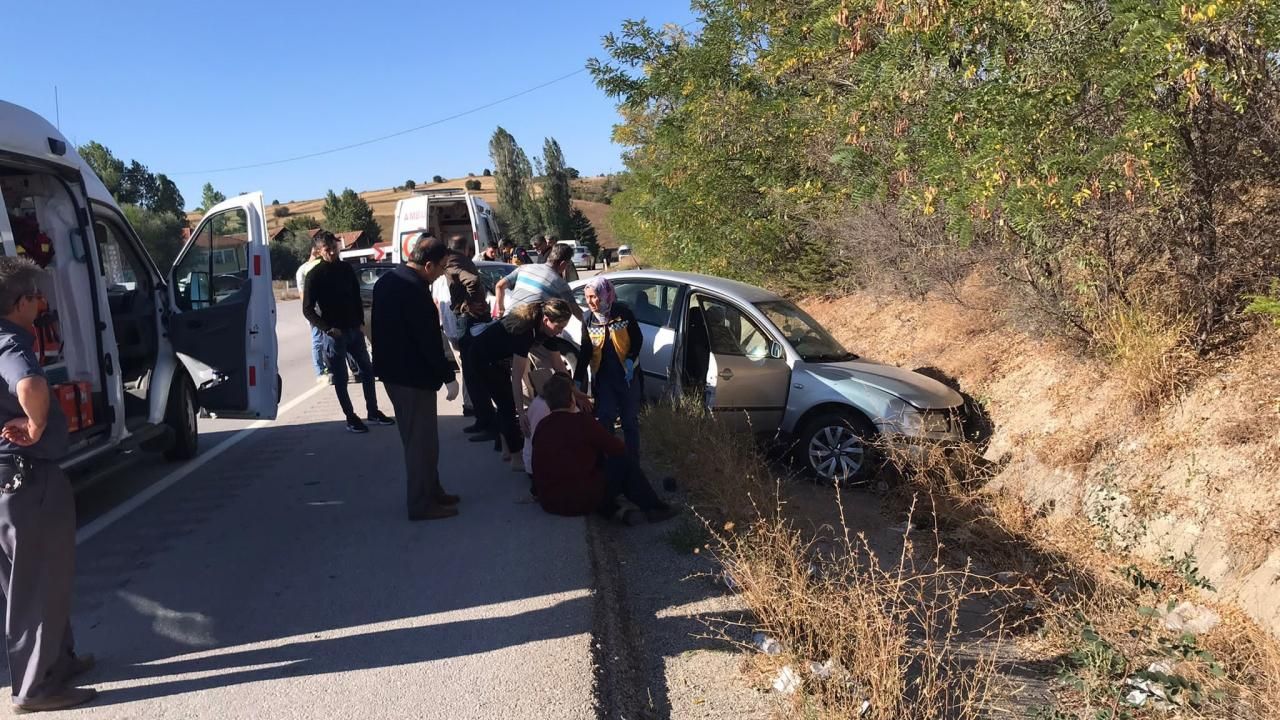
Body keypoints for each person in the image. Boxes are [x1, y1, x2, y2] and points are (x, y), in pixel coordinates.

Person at [0, 257, 96, 712]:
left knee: (27, 580)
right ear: (20, 303)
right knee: (39, 581)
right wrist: (37, 426)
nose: (41, 302)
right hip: (27, 479)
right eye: (36, 296)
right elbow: (31, 386)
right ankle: (36, 689)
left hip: (6, 485)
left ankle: (59, 659)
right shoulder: (11, 344)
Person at [371, 236, 462, 521]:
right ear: (428, 265)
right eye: (442, 267)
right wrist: (448, 375)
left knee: (424, 440)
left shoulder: (388, 281)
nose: (442, 273)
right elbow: (428, 340)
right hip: (411, 377)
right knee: (419, 443)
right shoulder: (413, 289)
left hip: (395, 373)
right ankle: (421, 504)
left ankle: (433, 491)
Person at [531, 375, 677, 525]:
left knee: (591, 469)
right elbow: (617, 448)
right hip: (581, 500)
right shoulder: (582, 421)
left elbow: (537, 463)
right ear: (571, 400)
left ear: (549, 403)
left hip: (549, 502)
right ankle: (655, 508)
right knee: (623, 464)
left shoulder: (542, 426)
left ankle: (616, 512)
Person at [464, 298, 586, 471]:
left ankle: (505, 450)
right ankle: (516, 458)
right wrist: (521, 413)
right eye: (559, 327)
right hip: (482, 359)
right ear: (546, 320)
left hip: (498, 358)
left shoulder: (547, 330)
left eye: (563, 328)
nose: (560, 332)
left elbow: (559, 366)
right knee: (507, 405)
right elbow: (517, 376)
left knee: (504, 402)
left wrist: (576, 392)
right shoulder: (526, 332)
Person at [301, 231, 394, 434]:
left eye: (335, 248)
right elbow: (307, 309)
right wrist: (327, 328)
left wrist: (360, 322)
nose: (333, 252)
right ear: (319, 251)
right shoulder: (315, 275)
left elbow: (355, 296)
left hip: (354, 329)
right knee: (341, 378)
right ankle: (350, 417)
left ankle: (373, 411)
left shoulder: (346, 269)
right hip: (334, 335)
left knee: (368, 371)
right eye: (328, 250)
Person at [492, 243, 588, 396]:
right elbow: (575, 310)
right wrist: (589, 325)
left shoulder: (525, 268)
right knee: (551, 364)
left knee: (519, 371)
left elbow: (499, 285)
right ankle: (552, 401)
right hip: (531, 327)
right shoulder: (559, 283)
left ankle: (530, 403)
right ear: (563, 263)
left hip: (509, 322)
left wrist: (501, 308)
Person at [583, 276, 644, 459]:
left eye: (595, 296)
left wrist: (631, 360)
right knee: (605, 419)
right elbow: (585, 350)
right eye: (587, 297)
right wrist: (577, 380)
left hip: (627, 376)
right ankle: (611, 461)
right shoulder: (588, 319)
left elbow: (637, 339)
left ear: (605, 294)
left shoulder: (623, 313)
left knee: (629, 422)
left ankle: (632, 462)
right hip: (604, 379)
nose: (592, 302)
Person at [438, 234, 490, 423]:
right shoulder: (460, 260)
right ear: (467, 249)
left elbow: (472, 281)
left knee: (471, 371)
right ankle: (482, 419)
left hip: (467, 320)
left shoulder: (452, 262)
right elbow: (473, 280)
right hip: (471, 319)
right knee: (472, 370)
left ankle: (483, 420)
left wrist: (468, 304)